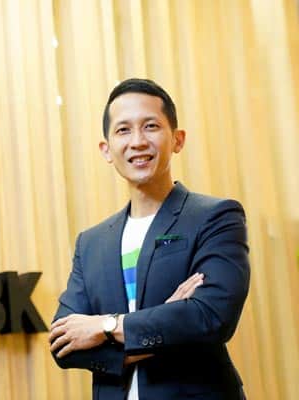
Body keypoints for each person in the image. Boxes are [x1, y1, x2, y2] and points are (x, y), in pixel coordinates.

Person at [49, 78, 250, 399]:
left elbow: (211, 317)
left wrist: (105, 327)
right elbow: (64, 346)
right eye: (123, 130)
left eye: (151, 126)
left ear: (177, 139)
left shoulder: (215, 216)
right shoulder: (91, 243)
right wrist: (167, 321)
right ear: (106, 149)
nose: (138, 141)